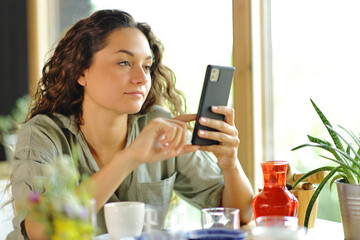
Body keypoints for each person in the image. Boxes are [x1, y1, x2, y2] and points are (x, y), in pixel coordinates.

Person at [7, 9, 254, 239]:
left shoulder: (159, 126)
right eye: (124, 63)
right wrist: (130, 157)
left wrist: (230, 164)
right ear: (81, 71)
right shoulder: (42, 134)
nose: (141, 78)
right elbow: (41, 231)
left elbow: (240, 215)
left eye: (147, 66)